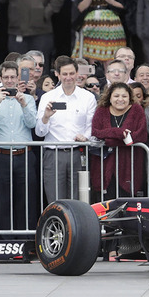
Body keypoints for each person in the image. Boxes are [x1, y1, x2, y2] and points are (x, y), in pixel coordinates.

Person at [0, 61, 38, 252]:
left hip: (24, 155)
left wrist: (24, 104)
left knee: (26, 202)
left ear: (18, 78)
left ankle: (25, 244)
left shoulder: (28, 100)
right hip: (1, 156)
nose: (9, 81)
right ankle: (4, 245)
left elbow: (32, 124)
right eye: (5, 77)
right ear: (0, 79)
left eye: (12, 77)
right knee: (2, 202)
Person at [35, 56, 97, 202]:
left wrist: (85, 137)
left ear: (77, 73)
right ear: (57, 74)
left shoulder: (88, 97)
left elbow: (91, 126)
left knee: (79, 201)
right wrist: (46, 117)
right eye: (64, 74)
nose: (68, 77)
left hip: (78, 153)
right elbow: (39, 132)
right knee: (55, 201)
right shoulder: (47, 97)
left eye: (71, 73)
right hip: (53, 154)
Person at [90, 82, 148, 199]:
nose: (120, 99)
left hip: (129, 166)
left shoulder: (137, 110)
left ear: (129, 97)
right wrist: (119, 133)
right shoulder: (102, 110)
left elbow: (140, 135)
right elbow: (96, 132)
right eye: (116, 96)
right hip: (104, 166)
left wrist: (110, 140)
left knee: (126, 204)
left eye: (124, 96)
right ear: (110, 97)